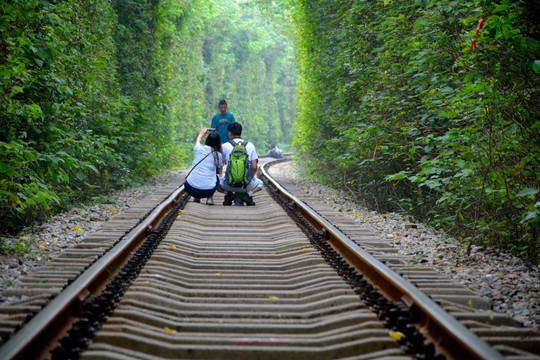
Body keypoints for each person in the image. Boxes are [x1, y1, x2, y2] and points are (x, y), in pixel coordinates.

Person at [218, 122, 263, 206]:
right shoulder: (250, 145)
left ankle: (228, 194)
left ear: (229, 133)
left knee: (215, 181)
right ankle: (248, 194)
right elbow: (254, 167)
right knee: (260, 183)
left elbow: (220, 166)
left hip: (229, 185)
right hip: (246, 186)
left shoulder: (225, 146)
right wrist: (249, 179)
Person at [184, 128, 223, 205]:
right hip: (208, 191)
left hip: (190, 188)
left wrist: (201, 133)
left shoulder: (199, 149)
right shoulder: (218, 155)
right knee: (216, 177)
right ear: (218, 142)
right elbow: (219, 172)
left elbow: (198, 141)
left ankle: (196, 197)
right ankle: (209, 199)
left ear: (207, 140)